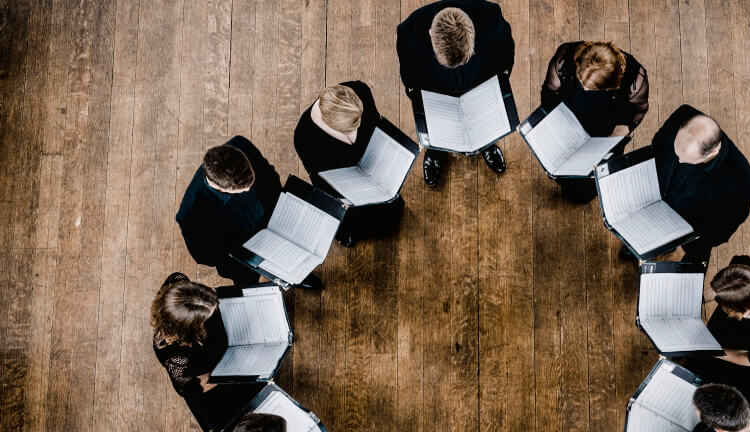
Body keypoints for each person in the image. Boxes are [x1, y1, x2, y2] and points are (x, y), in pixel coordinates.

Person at [397, 1, 515, 186]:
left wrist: (495, 85)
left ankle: (487, 143)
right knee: (439, 130)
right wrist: (424, 101)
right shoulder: (409, 32)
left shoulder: (491, 15)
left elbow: (505, 53)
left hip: (479, 84)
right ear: (430, 34)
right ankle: (437, 150)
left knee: (484, 122)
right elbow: (409, 74)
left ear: (473, 31)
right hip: (436, 91)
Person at [294, 82, 404, 247]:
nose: (356, 132)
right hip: (345, 187)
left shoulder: (360, 90)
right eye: (349, 128)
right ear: (329, 123)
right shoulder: (304, 138)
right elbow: (321, 181)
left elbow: (377, 126)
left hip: (372, 168)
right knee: (350, 218)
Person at [151, 272, 263, 432]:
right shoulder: (175, 355)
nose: (215, 309)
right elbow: (193, 388)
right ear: (191, 327)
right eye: (210, 314)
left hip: (219, 340)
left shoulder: (176, 283)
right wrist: (235, 369)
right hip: (216, 373)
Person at [540, 40, 649, 203]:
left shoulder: (634, 78)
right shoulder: (565, 58)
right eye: (581, 81)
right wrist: (554, 123)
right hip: (569, 123)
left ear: (611, 86)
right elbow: (549, 92)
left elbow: (639, 109)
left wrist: (621, 130)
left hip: (605, 132)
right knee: (564, 170)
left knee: (588, 183)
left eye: (589, 88)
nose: (583, 89)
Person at [651, 104, 750, 263]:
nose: (679, 161)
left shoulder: (742, 181)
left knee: (696, 257)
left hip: (693, 227)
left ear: (713, 152)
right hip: (661, 201)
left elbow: (722, 228)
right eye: (677, 154)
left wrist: (688, 234)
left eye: (687, 160)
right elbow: (658, 143)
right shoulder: (684, 115)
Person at [176, 137, 281, 285]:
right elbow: (206, 256)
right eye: (243, 189)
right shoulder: (191, 215)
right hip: (244, 256)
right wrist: (245, 253)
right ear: (220, 187)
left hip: (274, 221)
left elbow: (270, 176)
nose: (249, 189)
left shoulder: (240, 145)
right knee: (247, 284)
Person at [692, 255, 750, 397]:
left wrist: (715, 352)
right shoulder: (743, 267)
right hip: (719, 335)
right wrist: (695, 302)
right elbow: (716, 290)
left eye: (723, 305)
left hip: (736, 364)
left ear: (739, 310)